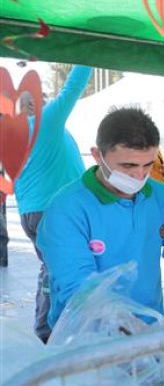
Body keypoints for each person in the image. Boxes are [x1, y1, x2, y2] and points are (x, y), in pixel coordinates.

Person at [37, 108, 164, 329]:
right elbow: (79, 289)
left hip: (151, 329)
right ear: (98, 155)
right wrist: (132, 332)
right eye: (128, 166)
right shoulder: (66, 209)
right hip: (84, 339)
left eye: (148, 165)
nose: (140, 176)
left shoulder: (159, 195)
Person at [15, 65, 91, 342]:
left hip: (32, 212)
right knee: (59, 270)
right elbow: (74, 86)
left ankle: (52, 325)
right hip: (52, 211)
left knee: (52, 267)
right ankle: (48, 329)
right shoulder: (46, 121)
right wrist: (87, 54)